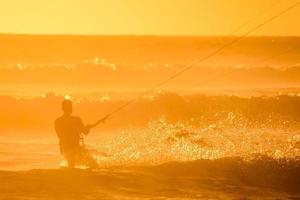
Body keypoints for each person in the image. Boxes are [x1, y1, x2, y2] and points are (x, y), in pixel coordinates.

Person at [54, 99, 108, 168]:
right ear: (63, 108)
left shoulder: (76, 119)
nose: (70, 109)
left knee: (93, 164)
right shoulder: (58, 121)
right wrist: (73, 130)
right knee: (72, 163)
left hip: (76, 147)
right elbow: (60, 135)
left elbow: (85, 132)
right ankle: (69, 175)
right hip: (65, 147)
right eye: (68, 107)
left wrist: (88, 127)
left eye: (71, 107)